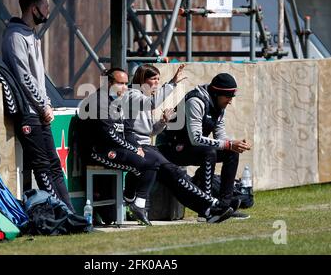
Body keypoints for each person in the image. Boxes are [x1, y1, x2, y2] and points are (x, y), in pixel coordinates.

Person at [124, 65, 233, 223]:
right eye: (153, 79)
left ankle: (207, 209)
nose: (157, 83)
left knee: (175, 176)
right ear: (141, 80)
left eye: (158, 79)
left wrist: (162, 122)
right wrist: (172, 83)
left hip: (147, 147)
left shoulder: (143, 98)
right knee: (175, 173)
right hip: (138, 148)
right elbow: (153, 103)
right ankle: (212, 205)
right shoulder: (133, 94)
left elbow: (150, 131)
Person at [1, 0, 74, 211]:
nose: (48, 10)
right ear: (33, 9)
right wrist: (43, 105)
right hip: (28, 113)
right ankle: (58, 212)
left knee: (54, 165)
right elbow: (24, 76)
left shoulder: (32, 35)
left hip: (41, 111)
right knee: (41, 166)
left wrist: (47, 104)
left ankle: (69, 212)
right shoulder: (15, 36)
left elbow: (39, 79)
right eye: (45, 6)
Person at [157, 73, 252, 220]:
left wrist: (233, 145)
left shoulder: (219, 104)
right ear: (216, 93)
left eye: (232, 97)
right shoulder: (196, 101)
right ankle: (206, 208)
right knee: (210, 152)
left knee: (231, 152)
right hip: (170, 147)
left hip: (190, 147)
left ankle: (223, 206)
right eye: (228, 97)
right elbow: (196, 139)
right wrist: (229, 143)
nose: (230, 101)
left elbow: (221, 137)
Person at [78, 68, 158, 226]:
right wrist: (134, 150)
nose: (125, 87)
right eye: (120, 83)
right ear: (109, 83)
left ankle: (135, 204)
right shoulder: (98, 101)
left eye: (126, 83)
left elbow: (126, 130)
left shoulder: (120, 100)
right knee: (143, 164)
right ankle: (129, 202)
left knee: (152, 161)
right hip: (97, 151)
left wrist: (136, 146)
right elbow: (108, 135)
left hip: (116, 148)